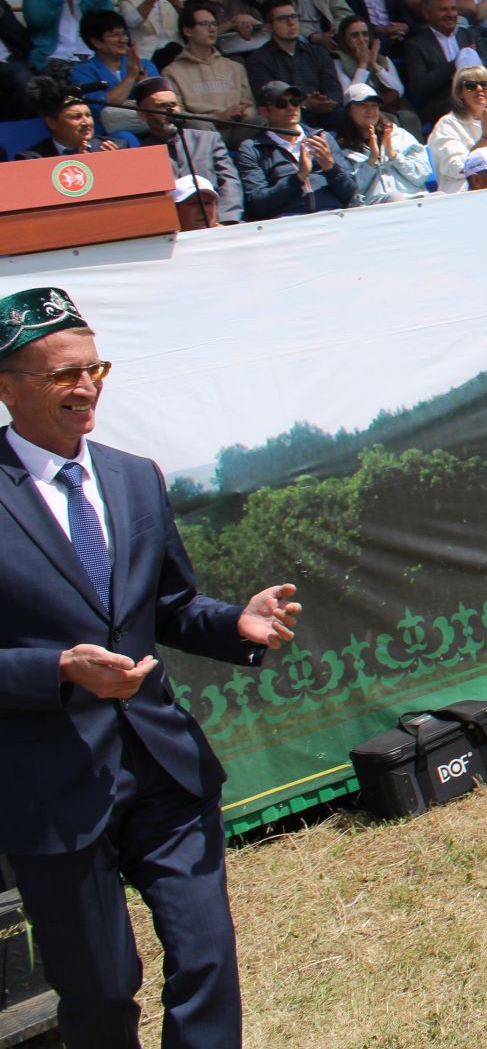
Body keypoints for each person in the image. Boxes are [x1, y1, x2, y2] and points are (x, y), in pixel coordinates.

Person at [0, 286, 301, 1049]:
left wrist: (236, 623)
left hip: (164, 768)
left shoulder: (135, 477)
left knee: (207, 960)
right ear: (5, 385)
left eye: (95, 367)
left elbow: (168, 605)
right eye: (62, 374)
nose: (87, 386)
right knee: (100, 993)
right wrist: (58, 670)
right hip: (51, 788)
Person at [234, 79, 355, 219]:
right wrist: (298, 177)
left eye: (295, 101)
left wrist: (331, 168)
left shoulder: (323, 138)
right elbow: (258, 204)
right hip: (288, 224)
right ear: (263, 111)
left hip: (332, 215)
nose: (291, 107)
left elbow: (350, 192)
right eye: (281, 104)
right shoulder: (252, 148)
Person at [136, 77, 242, 225]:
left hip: (218, 225)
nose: (170, 110)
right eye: (161, 106)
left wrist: (225, 221)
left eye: (173, 104)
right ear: (142, 114)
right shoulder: (141, 155)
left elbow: (229, 183)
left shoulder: (208, 140)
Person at [166, 0, 255, 147]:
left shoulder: (235, 67)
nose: (212, 29)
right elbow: (177, 115)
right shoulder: (172, 72)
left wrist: (242, 113)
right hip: (202, 132)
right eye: (205, 24)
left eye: (214, 24)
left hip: (237, 129)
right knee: (200, 126)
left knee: (264, 121)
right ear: (187, 31)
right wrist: (218, 117)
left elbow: (250, 106)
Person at [246, 0, 340, 131]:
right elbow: (267, 99)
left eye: (294, 17)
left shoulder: (318, 52)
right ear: (269, 27)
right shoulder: (258, 59)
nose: (291, 22)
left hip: (326, 113)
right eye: (283, 19)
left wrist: (327, 102)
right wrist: (303, 104)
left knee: (352, 114)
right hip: (289, 116)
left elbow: (334, 89)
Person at [427, 64, 487, 192]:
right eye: (471, 86)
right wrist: (485, 138)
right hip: (463, 192)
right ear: (460, 93)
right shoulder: (447, 125)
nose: (479, 89)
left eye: (485, 85)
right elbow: (457, 168)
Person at [336, 81, 433, 202]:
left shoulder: (399, 135)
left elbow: (423, 175)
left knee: (441, 197)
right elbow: (351, 190)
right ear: (349, 110)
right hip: (375, 207)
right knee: (395, 198)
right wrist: (371, 162)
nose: (370, 110)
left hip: (415, 197)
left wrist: (394, 156)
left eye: (374, 106)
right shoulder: (341, 148)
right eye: (363, 105)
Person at [71, 9, 158, 143]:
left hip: (148, 125)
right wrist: (130, 78)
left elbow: (159, 102)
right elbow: (99, 108)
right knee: (125, 137)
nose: (123, 40)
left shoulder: (145, 64)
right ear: (96, 42)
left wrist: (142, 78)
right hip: (107, 134)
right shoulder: (83, 71)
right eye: (114, 35)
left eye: (124, 34)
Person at [400, 0, 481, 125]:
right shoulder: (415, 45)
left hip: (479, 93)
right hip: (444, 102)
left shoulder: (470, 35)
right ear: (427, 13)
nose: (450, 14)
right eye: (443, 10)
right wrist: (457, 62)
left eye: (453, 9)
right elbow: (421, 84)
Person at [19, 77, 116, 156]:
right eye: (76, 117)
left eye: (88, 115)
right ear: (51, 122)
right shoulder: (32, 159)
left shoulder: (114, 148)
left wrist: (113, 164)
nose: (87, 123)